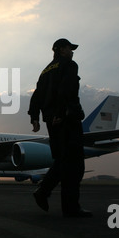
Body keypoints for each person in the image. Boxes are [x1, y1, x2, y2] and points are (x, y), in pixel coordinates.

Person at [28, 38, 92, 218]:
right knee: (75, 163)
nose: (72, 52)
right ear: (61, 49)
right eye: (69, 48)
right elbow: (67, 89)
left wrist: (34, 117)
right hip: (66, 118)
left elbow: (37, 95)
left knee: (62, 160)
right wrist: (62, 112)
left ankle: (46, 193)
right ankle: (68, 206)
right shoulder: (69, 65)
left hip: (51, 120)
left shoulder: (45, 71)